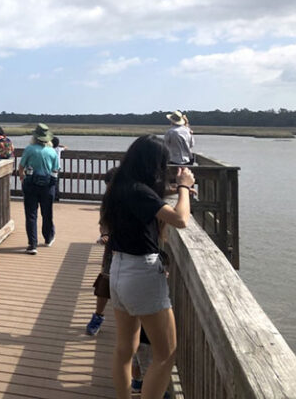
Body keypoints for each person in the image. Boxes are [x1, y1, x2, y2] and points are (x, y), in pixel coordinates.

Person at [101, 134, 194, 399]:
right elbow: (180, 219)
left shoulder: (120, 185)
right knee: (166, 355)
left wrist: (172, 192)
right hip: (141, 274)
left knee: (124, 350)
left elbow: (148, 204)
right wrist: (184, 187)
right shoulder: (139, 191)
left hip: (118, 270)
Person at [18, 123, 60, 254]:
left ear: (35, 137)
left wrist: (22, 178)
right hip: (47, 186)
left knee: (31, 215)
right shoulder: (52, 151)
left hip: (31, 184)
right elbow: (56, 169)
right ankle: (48, 238)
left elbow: (21, 167)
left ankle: (32, 245)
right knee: (47, 213)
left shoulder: (30, 149)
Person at [86, 166, 117, 336]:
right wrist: (104, 234)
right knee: (105, 282)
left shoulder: (135, 196)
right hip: (112, 246)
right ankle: (98, 316)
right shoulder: (107, 200)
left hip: (131, 248)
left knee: (128, 286)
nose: (109, 190)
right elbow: (103, 222)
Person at [51, 136, 66, 201]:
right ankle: (56, 197)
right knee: (56, 182)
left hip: (50, 168)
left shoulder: (49, 149)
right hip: (57, 168)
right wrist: (60, 145)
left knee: (50, 182)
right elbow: (65, 147)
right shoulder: (58, 149)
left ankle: (51, 196)